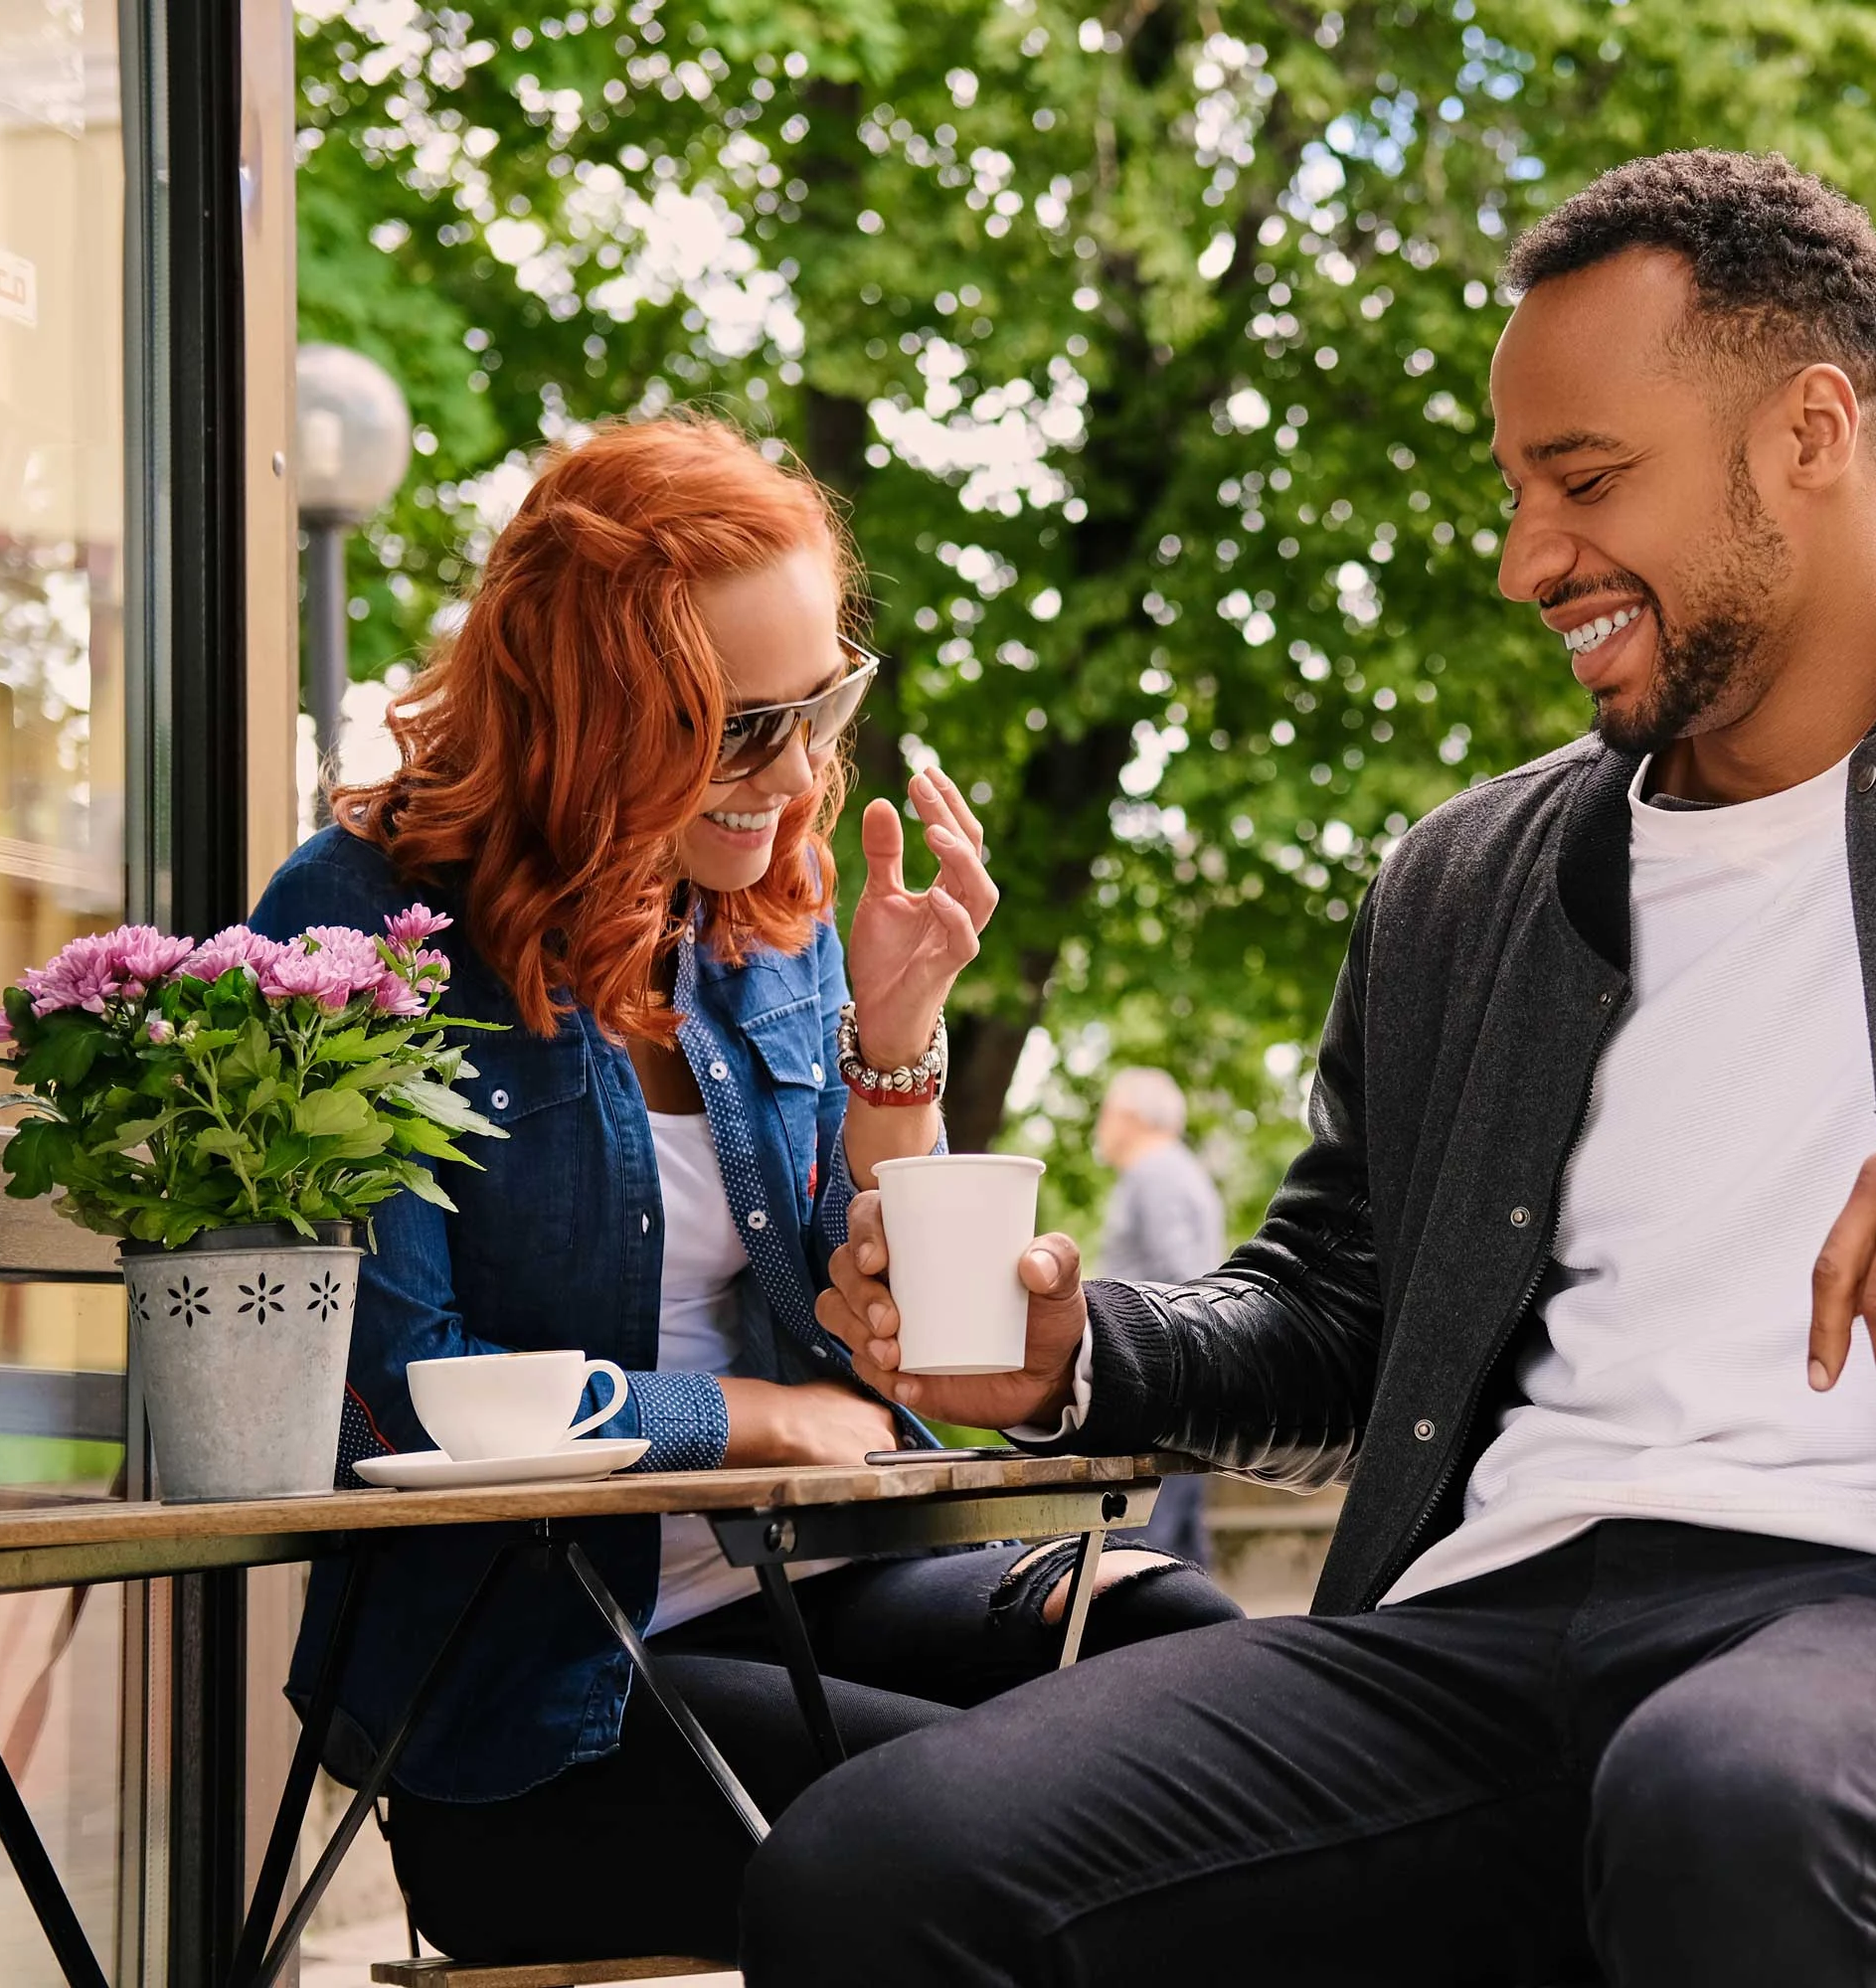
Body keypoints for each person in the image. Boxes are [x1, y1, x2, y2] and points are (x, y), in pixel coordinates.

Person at [745, 153, 1876, 1988]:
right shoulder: (1469, 880)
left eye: (1584, 479)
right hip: (1484, 1626)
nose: (1524, 557)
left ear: (1811, 431)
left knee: (1730, 1809)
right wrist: (1087, 1357)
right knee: (874, 1868)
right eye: (1515, 488)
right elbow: (1339, 1325)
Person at [248, 414, 1238, 1966]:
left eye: (814, 710)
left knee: (1182, 1653)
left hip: (802, 1592)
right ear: (588, 707)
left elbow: (895, 1359)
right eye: (729, 729)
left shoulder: (768, 921)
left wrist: (896, 1051)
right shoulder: (358, 922)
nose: (787, 779)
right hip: (528, 1704)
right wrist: (743, 1422)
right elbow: (388, 1397)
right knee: (1017, 1837)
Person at [1091, 1067, 1227, 1566]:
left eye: (1106, 1113)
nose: (1101, 1127)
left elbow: (1182, 1278)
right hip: (1180, 1385)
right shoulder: (1180, 1170)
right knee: (1181, 1545)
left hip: (1156, 1383)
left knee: (1147, 1544)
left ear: (1130, 1117)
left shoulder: (1155, 1173)